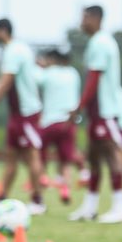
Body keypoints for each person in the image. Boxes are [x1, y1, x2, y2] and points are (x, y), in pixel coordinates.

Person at [0, 18, 46, 215]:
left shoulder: (14, 50)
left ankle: (38, 201)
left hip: (27, 113)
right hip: (17, 114)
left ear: (3, 31)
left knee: (32, 156)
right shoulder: (18, 49)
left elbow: (8, 80)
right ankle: (1, 198)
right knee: (11, 156)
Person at [67, 5, 122, 223]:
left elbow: (94, 78)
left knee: (112, 155)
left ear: (96, 18)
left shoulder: (101, 42)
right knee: (93, 157)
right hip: (97, 112)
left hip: (106, 110)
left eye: (84, 18)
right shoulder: (97, 42)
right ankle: (90, 207)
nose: (81, 22)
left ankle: (120, 207)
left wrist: (79, 105)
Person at [37, 49, 84, 205]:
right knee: (66, 161)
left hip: (48, 122)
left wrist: (40, 66)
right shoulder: (73, 73)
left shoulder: (47, 74)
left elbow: (35, 81)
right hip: (68, 122)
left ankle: (42, 182)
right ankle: (65, 189)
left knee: (39, 158)